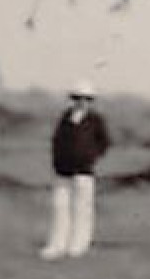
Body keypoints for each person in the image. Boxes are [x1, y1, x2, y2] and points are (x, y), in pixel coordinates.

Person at [39, 79, 111, 260]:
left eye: (86, 99)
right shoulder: (65, 118)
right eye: (78, 98)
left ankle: (78, 245)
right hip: (63, 170)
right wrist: (57, 160)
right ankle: (57, 244)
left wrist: (90, 157)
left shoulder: (95, 120)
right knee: (60, 207)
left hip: (83, 171)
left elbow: (104, 142)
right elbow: (57, 141)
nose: (81, 102)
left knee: (82, 208)